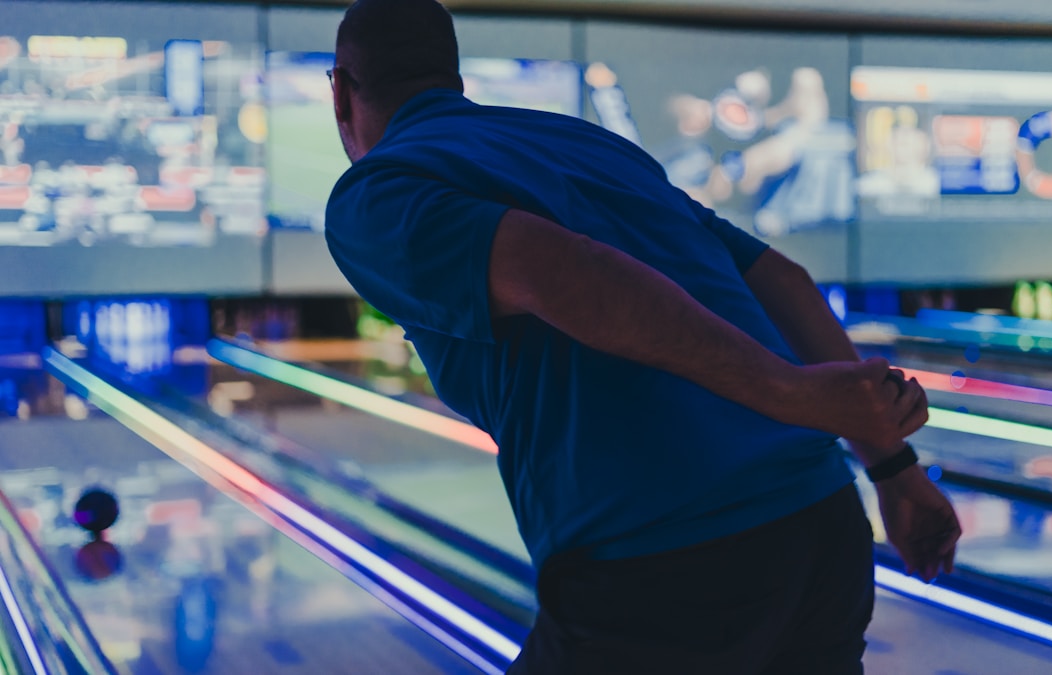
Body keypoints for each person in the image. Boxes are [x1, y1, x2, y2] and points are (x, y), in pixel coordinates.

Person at [324, 2, 961, 673]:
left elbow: (566, 273)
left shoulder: (378, 191)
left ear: (340, 91)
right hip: (818, 523)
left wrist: (792, 393)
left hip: (659, 560)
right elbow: (783, 279)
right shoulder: (589, 145)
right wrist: (894, 467)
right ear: (453, 76)